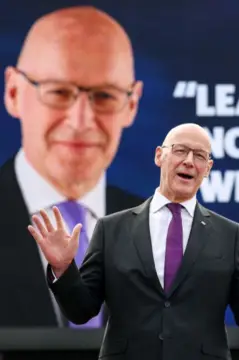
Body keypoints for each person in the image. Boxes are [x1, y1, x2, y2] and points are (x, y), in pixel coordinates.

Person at [28, 123, 239, 360]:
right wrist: (64, 269)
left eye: (199, 156)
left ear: (207, 168)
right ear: (160, 155)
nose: (189, 161)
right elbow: (82, 311)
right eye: (180, 150)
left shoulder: (229, 234)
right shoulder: (111, 228)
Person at [0, 6, 144, 327]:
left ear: (131, 104)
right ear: (13, 92)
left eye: (104, 95)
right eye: (59, 92)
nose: (80, 121)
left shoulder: (156, 228)